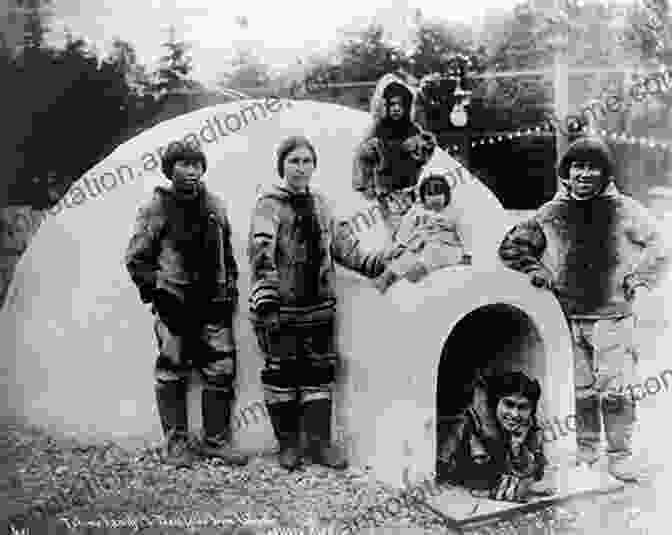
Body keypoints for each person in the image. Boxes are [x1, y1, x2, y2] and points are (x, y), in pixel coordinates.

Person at [498, 136, 670, 483]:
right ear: (567, 172)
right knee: (581, 390)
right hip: (567, 316)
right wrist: (536, 269)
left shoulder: (625, 209)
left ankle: (620, 455)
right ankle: (587, 452)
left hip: (612, 316)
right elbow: (512, 247)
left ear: (605, 173)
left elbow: (659, 245)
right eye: (579, 166)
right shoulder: (550, 213)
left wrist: (640, 278)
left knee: (616, 390)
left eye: (593, 167)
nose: (585, 174)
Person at [249, 135, 387, 471]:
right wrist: (266, 298)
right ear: (282, 165)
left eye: (306, 161)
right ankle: (288, 446)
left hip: (319, 306)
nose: (300, 167)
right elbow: (260, 251)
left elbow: (342, 247)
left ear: (314, 166)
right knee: (281, 376)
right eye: (294, 161)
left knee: (319, 375)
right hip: (279, 307)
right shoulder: (268, 204)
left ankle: (319, 446)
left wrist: (379, 264)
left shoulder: (323, 205)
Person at [125, 141, 248, 468]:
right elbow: (136, 260)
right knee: (172, 372)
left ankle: (215, 440)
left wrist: (229, 293)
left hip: (213, 306)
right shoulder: (156, 208)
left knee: (221, 371)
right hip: (174, 308)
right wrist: (159, 295)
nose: (191, 171)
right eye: (183, 164)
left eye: (196, 164)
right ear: (170, 169)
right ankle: (176, 443)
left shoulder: (215, 207)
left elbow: (229, 258)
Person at [437, 371, 550, 502]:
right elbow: (468, 477)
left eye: (522, 407)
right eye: (509, 404)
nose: (514, 414)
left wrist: (517, 449)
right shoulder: (471, 425)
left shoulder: (531, 428)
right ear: (496, 402)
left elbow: (537, 473)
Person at [352, 73, 437, 239]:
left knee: (413, 230)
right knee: (396, 232)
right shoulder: (379, 129)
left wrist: (418, 147)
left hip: (410, 189)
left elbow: (425, 154)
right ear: (385, 106)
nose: (396, 109)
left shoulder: (412, 128)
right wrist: (365, 184)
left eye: (400, 105)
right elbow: (362, 157)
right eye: (392, 105)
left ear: (407, 106)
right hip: (387, 191)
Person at [373, 172, 471, 293]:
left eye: (439, 193)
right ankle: (384, 281)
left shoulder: (454, 211)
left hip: (445, 246)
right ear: (423, 197)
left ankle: (412, 279)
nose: (435, 197)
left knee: (427, 259)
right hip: (419, 246)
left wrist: (467, 254)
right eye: (430, 194)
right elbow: (406, 226)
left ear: (447, 195)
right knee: (404, 259)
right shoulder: (418, 209)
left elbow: (465, 231)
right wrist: (401, 244)